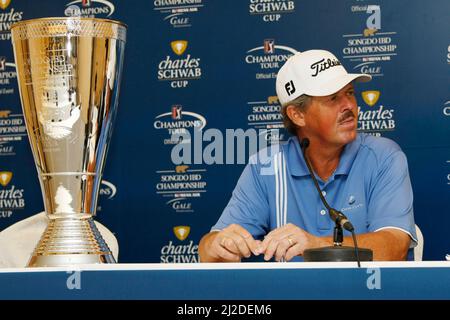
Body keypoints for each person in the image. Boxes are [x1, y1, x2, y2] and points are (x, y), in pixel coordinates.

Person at [199, 49, 417, 263]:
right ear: (297, 115)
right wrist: (217, 245)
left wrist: (316, 245)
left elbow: (395, 246)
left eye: (350, 93)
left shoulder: (383, 157)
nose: (349, 106)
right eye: (333, 98)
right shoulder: (265, 166)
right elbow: (209, 251)